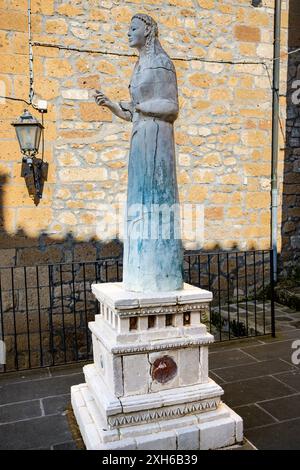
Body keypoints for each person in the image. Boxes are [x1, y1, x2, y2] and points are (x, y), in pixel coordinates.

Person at [94, 13, 183, 292]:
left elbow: (171, 108)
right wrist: (110, 104)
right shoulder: (139, 65)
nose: (128, 33)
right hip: (140, 136)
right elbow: (132, 110)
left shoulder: (161, 63)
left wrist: (141, 108)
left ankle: (160, 273)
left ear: (148, 31)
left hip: (157, 138)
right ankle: (140, 272)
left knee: (155, 198)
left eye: (133, 28)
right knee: (139, 200)